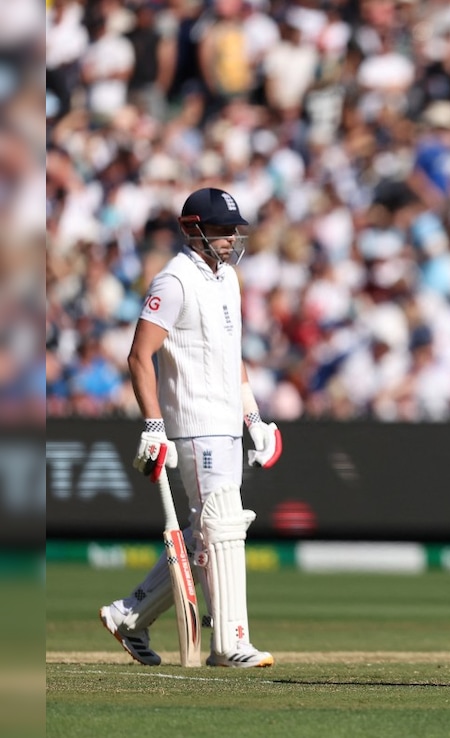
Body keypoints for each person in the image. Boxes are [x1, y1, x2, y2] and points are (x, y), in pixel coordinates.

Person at [99, 187, 282, 668]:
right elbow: (139, 355)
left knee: (205, 536)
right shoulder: (174, 280)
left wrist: (254, 419)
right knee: (221, 527)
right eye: (220, 229)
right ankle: (230, 642)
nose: (230, 238)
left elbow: (231, 356)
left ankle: (128, 614)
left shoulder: (229, 279)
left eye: (233, 229)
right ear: (192, 229)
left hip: (227, 424)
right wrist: (153, 424)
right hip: (195, 424)